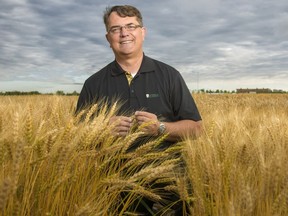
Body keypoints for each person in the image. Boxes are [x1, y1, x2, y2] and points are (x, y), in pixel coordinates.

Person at [76, 5, 202, 215]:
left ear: (143, 32)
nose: (124, 33)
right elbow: (77, 137)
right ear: (108, 38)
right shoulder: (93, 84)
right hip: (115, 191)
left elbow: (196, 128)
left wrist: (160, 128)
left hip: (170, 191)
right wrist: (100, 129)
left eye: (130, 26)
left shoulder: (170, 76)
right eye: (116, 29)